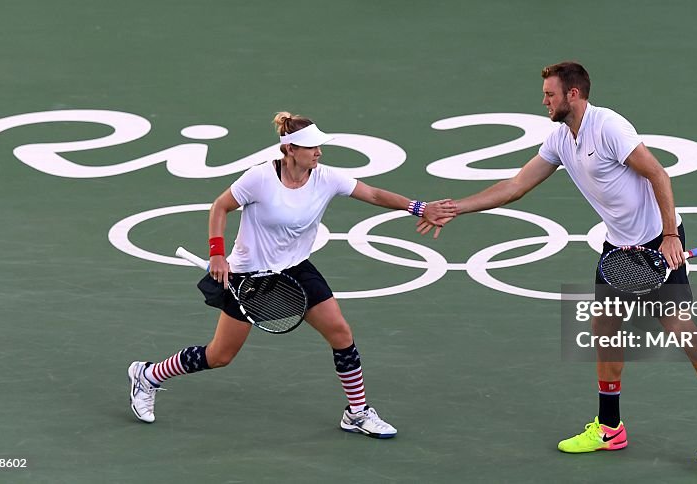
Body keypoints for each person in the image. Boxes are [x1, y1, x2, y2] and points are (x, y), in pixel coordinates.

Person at [418, 61, 697, 464]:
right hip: (618, 248)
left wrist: (669, 237)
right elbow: (515, 186)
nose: (544, 100)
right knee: (604, 328)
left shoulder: (608, 127)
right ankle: (610, 427)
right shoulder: (560, 138)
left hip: (656, 242)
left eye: (550, 94)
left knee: (678, 325)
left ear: (572, 94)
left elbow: (659, 175)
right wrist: (456, 208)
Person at [128, 111, 456, 438]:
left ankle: (357, 413)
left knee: (341, 334)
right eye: (311, 147)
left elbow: (371, 194)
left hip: (296, 270)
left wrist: (418, 207)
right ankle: (148, 375)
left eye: (318, 146)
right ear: (289, 149)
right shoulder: (258, 179)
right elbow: (219, 207)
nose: (319, 152)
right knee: (220, 355)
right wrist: (217, 254)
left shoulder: (326, 178)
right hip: (251, 278)